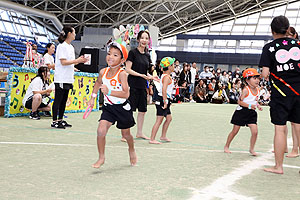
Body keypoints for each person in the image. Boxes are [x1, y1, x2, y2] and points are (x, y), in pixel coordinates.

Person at [260, 16, 300, 174]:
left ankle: (278, 166)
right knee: (298, 125)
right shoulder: (298, 44)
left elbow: (264, 73)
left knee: (280, 128)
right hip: (299, 91)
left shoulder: (269, 47)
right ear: (288, 28)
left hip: (281, 93)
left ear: (272, 31)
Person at [88, 42, 137, 168]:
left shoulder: (122, 74)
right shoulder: (102, 72)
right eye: (109, 53)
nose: (110, 57)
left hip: (122, 108)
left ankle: (131, 149)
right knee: (100, 131)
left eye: (115, 55)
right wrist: (93, 98)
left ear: (122, 60)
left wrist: (109, 92)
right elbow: (98, 83)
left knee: (126, 135)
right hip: (108, 108)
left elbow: (126, 94)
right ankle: (101, 157)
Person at [51, 26, 88, 129]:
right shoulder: (62, 46)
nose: (75, 34)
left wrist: (76, 65)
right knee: (58, 99)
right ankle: (54, 121)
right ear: (69, 34)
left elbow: (69, 63)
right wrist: (77, 61)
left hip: (68, 77)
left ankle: (60, 119)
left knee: (64, 100)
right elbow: (63, 62)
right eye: (74, 32)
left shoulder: (71, 47)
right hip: (61, 77)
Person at [124, 30, 155, 140]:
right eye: (142, 38)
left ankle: (139, 132)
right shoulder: (132, 53)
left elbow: (145, 71)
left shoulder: (147, 55)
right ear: (138, 40)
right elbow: (128, 69)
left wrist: (150, 76)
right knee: (129, 109)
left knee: (142, 110)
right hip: (132, 85)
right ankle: (125, 133)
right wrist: (142, 75)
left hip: (143, 85)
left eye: (146, 38)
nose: (144, 40)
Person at [224, 68, 262, 156]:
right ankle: (226, 146)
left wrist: (258, 106)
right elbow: (240, 102)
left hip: (252, 113)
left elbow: (254, 100)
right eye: (254, 78)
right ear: (247, 80)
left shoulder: (258, 90)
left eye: (258, 78)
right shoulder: (246, 90)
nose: (257, 80)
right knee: (235, 131)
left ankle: (252, 149)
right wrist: (249, 106)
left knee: (255, 132)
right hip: (241, 112)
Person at [150, 57, 174, 144]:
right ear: (170, 66)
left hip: (165, 99)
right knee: (159, 120)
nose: (174, 66)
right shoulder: (167, 77)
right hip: (162, 100)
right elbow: (164, 90)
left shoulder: (164, 76)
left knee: (169, 118)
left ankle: (163, 136)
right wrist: (165, 101)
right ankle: (152, 139)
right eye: (173, 65)